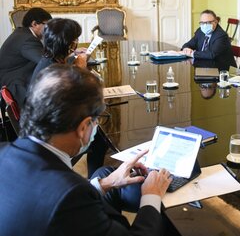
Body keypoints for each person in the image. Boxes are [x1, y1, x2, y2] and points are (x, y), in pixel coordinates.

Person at [0, 64, 172, 236]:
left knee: (104, 173)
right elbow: (64, 202)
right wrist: (151, 196)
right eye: (96, 120)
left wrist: (107, 182)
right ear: (83, 127)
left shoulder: (4, 151)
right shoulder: (70, 196)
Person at [0, 7, 52, 108]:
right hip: (15, 84)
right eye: (47, 25)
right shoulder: (27, 39)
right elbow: (45, 62)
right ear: (34, 24)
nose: (49, 29)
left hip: (13, 78)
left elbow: (44, 55)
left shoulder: (23, 33)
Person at [31, 18, 87, 83]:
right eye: (75, 38)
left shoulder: (52, 57)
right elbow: (72, 89)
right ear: (67, 42)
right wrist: (80, 68)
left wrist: (74, 54)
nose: (76, 41)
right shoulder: (51, 70)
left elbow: (65, 60)